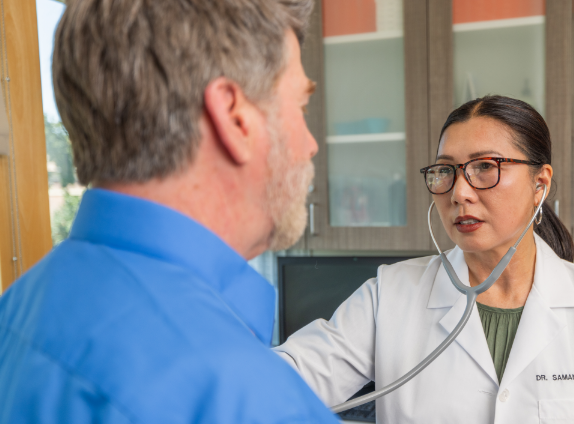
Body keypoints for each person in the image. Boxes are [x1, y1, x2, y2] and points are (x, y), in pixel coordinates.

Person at [0, 0, 339, 422]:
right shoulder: (245, 397)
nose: (311, 144)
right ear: (233, 118)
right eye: (301, 107)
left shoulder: (16, 311)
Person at [276, 95, 574, 423]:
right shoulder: (389, 298)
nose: (459, 192)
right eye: (445, 171)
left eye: (485, 167)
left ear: (540, 184)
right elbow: (279, 381)